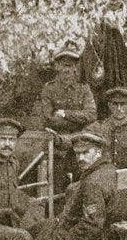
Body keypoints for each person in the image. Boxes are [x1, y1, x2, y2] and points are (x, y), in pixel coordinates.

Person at [32, 132, 119, 240]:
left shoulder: (93, 182)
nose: (80, 158)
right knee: (39, 229)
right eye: (78, 153)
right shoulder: (107, 169)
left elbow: (91, 226)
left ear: (98, 152)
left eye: (86, 153)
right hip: (101, 234)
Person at [40, 41, 97, 192]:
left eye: (71, 66)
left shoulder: (83, 89)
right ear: (57, 67)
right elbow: (49, 119)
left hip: (81, 146)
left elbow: (92, 115)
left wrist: (65, 114)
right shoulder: (49, 89)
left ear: (75, 67)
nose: (67, 70)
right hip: (57, 148)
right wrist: (79, 120)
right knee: (57, 188)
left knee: (82, 186)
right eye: (64, 65)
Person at [86, 86, 127, 169]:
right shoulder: (98, 128)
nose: (119, 108)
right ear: (109, 105)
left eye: (123, 104)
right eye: (115, 104)